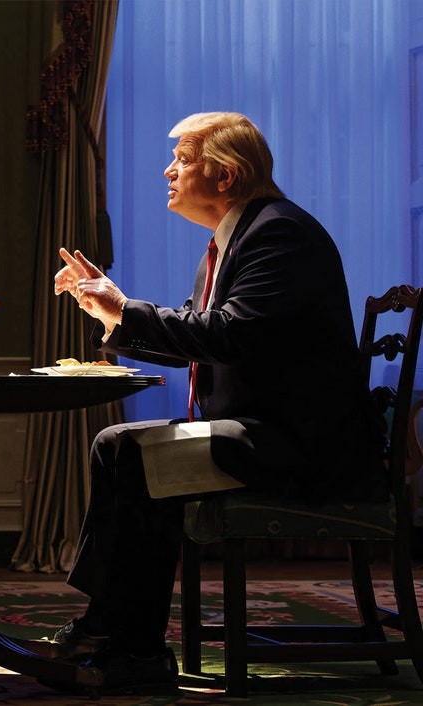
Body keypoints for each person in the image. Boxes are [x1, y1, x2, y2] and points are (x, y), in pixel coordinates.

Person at [45, 112, 386, 692]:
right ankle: (121, 634)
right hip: (266, 431)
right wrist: (114, 310)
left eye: (182, 160)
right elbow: (201, 341)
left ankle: (125, 640)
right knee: (123, 447)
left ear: (225, 175)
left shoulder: (279, 233)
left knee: (132, 452)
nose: (168, 171)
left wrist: (126, 310)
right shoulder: (232, 242)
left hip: (303, 446)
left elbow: (229, 335)